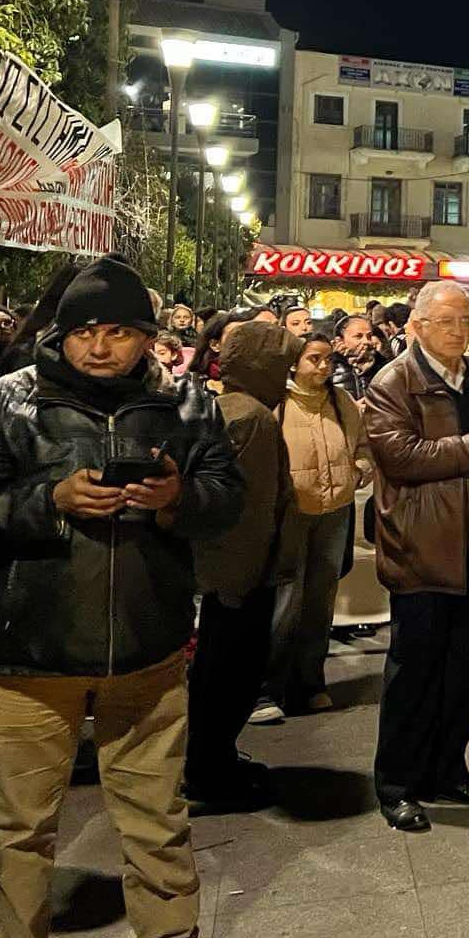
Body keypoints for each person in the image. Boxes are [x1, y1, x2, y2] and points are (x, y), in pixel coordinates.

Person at [0, 255, 244, 938]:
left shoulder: (188, 403)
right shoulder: (3, 402)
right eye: (85, 330)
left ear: (147, 336)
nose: (99, 346)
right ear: (60, 334)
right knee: (20, 825)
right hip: (29, 653)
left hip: (147, 649)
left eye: (119, 331)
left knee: (157, 815)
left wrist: (177, 499)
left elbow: (229, 498)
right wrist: (49, 500)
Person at [363, 281, 469, 833]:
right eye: (447, 321)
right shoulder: (393, 382)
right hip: (423, 546)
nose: (460, 331)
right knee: (414, 672)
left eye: (466, 321)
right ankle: (397, 785)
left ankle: (448, 771)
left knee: (466, 669)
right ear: (417, 326)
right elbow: (402, 457)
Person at [187, 319, 300, 807]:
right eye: (282, 367)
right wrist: (240, 581)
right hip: (242, 576)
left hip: (234, 574)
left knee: (220, 675)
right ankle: (211, 775)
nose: (287, 379)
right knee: (229, 677)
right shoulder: (253, 418)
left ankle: (214, 764)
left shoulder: (232, 407)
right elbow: (249, 512)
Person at [268, 331, 373, 717]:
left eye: (328, 359)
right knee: (284, 602)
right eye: (315, 359)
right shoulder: (277, 403)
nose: (324, 366)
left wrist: (359, 469)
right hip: (291, 513)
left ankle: (310, 682)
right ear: (294, 362)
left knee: (319, 602)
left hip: (335, 511)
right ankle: (268, 687)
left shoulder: (341, 402)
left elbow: (362, 446)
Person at [330, 311, 388, 399]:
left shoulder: (383, 366)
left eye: (369, 336)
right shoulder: (329, 369)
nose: (366, 341)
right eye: (358, 336)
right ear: (340, 341)